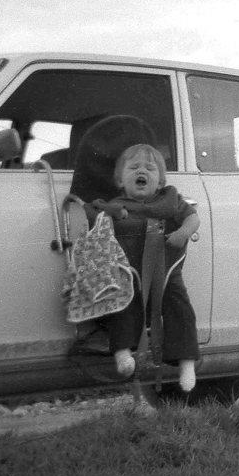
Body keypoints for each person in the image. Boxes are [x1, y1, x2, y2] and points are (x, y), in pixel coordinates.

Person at [88, 144, 201, 392]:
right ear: (120, 179)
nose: (142, 171)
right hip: (131, 273)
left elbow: (193, 218)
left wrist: (182, 232)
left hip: (166, 269)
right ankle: (122, 353)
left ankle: (187, 364)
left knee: (179, 306)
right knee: (122, 303)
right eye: (134, 167)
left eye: (150, 168)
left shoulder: (171, 200)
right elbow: (101, 229)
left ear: (160, 180)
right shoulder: (116, 206)